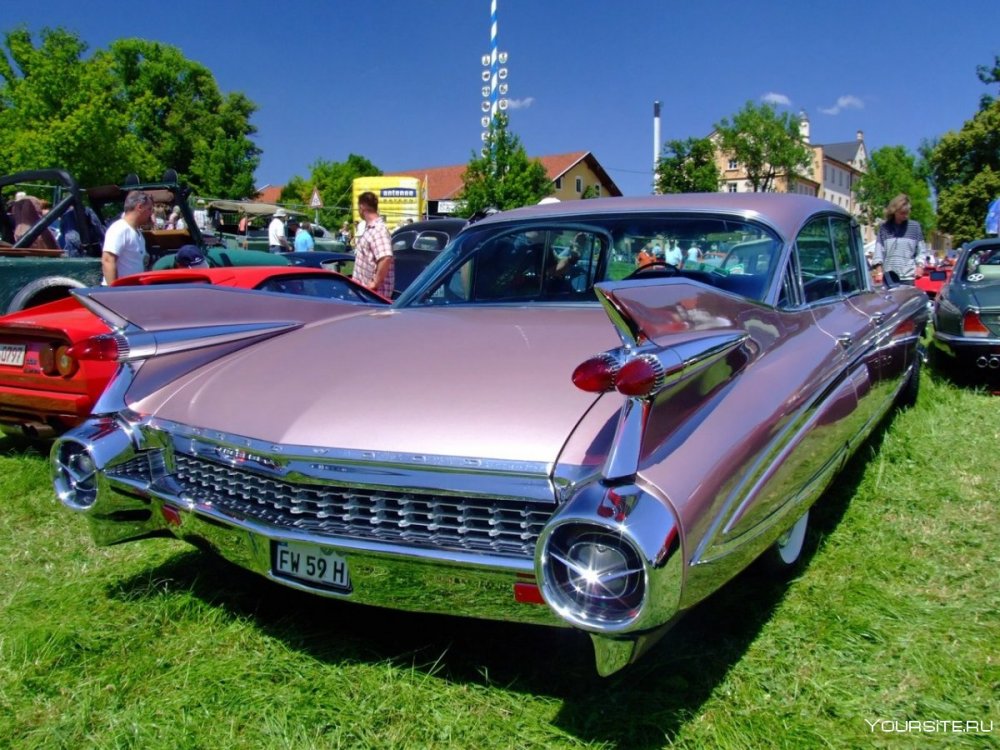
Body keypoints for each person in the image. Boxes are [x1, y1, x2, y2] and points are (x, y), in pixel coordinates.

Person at [871, 194, 927, 285]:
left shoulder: (915, 227)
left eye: (907, 213)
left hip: (908, 276)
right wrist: (879, 270)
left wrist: (920, 266)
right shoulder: (884, 228)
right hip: (889, 276)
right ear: (894, 211)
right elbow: (878, 251)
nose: (905, 216)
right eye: (902, 213)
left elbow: (922, 250)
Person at [102, 190, 153, 284]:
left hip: (130, 291)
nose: (151, 214)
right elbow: (108, 260)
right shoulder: (119, 228)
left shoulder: (137, 233)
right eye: (149, 209)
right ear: (140, 207)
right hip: (120, 292)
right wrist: (113, 293)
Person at [352, 191, 394, 297]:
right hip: (367, 294)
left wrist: (375, 283)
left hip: (375, 296)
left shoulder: (378, 229)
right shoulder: (370, 229)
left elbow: (386, 258)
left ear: (362, 207)